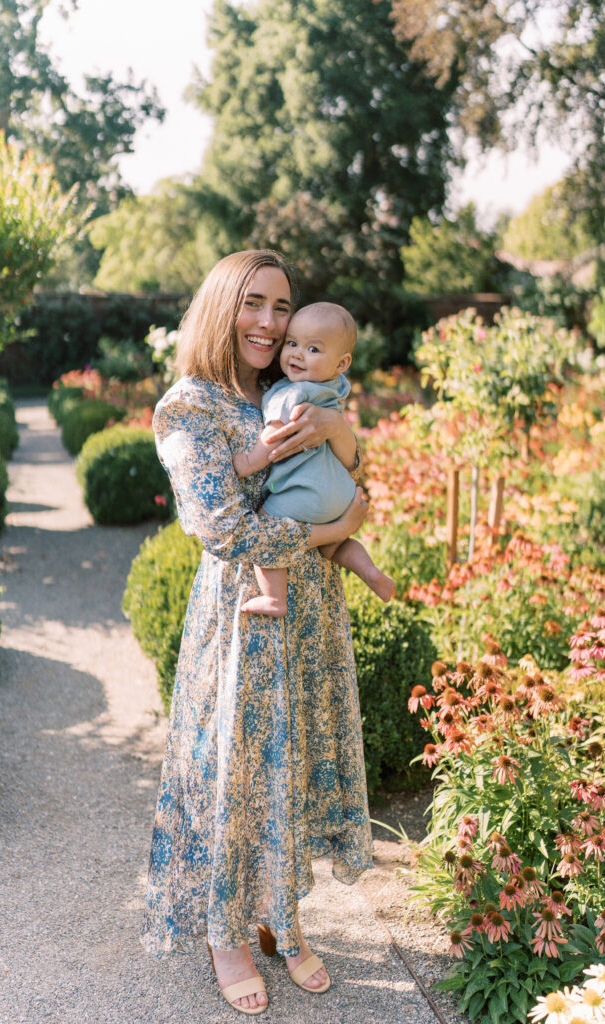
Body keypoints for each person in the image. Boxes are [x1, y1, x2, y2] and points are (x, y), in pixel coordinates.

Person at [140, 249, 375, 1016]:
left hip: (312, 617)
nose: (271, 323)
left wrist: (341, 449)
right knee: (235, 772)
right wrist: (330, 531)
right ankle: (226, 934)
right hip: (243, 616)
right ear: (221, 307)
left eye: (282, 306)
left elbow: (356, 477)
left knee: (292, 766)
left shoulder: (292, 389)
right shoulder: (191, 406)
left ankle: (284, 920)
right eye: (254, 303)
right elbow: (221, 526)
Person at [232, 300, 395, 616]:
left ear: (342, 362)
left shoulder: (290, 394)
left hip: (306, 493)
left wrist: (249, 462)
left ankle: (275, 598)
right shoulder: (335, 387)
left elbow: (275, 435)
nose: (296, 353)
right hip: (339, 494)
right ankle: (371, 573)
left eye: (313, 349)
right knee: (335, 547)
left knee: (266, 532)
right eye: (292, 343)